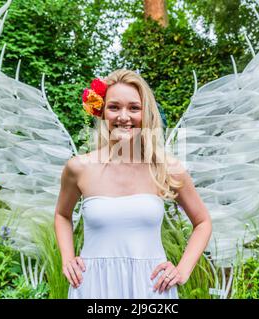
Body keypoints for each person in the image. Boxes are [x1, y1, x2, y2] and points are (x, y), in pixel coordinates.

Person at [54, 69, 212, 299]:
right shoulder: (79, 168)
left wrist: (182, 270)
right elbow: (61, 215)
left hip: (151, 288)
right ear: (102, 113)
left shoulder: (166, 168)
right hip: (93, 287)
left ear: (145, 113)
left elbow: (203, 222)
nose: (124, 116)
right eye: (114, 107)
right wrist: (67, 258)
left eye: (134, 108)